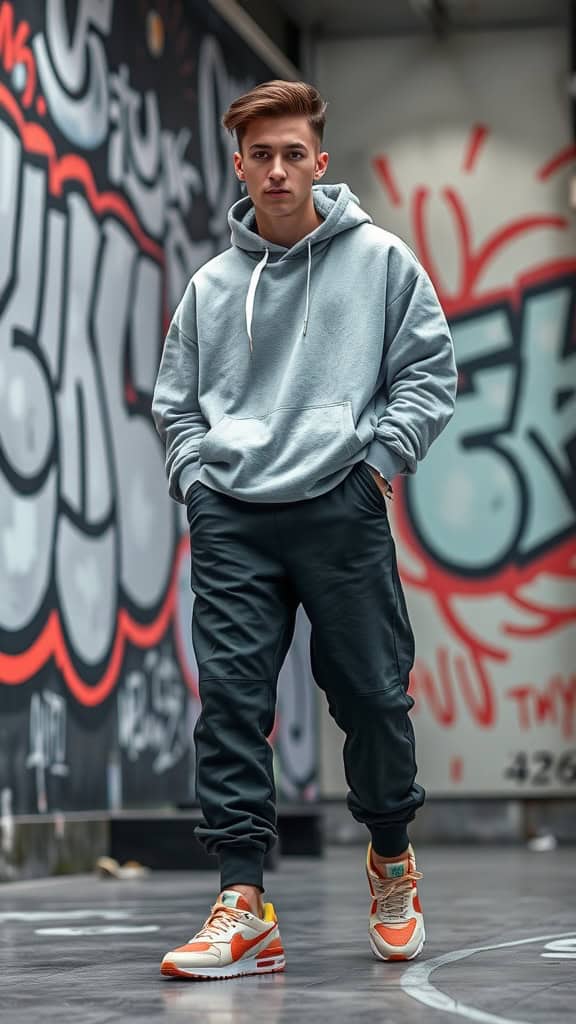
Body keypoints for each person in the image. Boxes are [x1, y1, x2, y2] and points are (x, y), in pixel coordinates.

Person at [152, 80, 457, 981]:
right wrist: (197, 484)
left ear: (320, 163)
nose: (277, 170)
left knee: (370, 695)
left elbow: (428, 373)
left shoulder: (380, 261)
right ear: (240, 166)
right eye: (261, 155)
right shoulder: (211, 287)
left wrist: (376, 469)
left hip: (340, 505)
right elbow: (175, 406)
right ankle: (243, 901)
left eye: (293, 154)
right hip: (235, 519)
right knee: (234, 705)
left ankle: (392, 862)